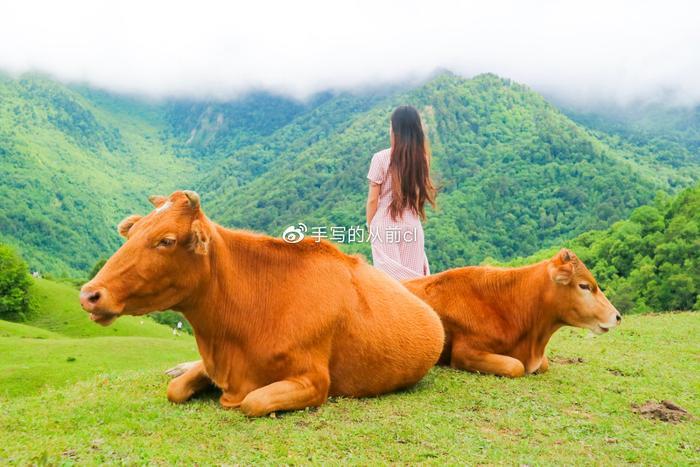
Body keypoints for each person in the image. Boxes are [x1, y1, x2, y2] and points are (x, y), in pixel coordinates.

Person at [366, 105, 436, 281]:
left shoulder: (380, 158)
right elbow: (418, 196)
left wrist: (370, 225)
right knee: (415, 285)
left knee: (391, 286)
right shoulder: (423, 159)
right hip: (412, 225)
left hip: (385, 226)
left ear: (395, 129)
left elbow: (373, 200)